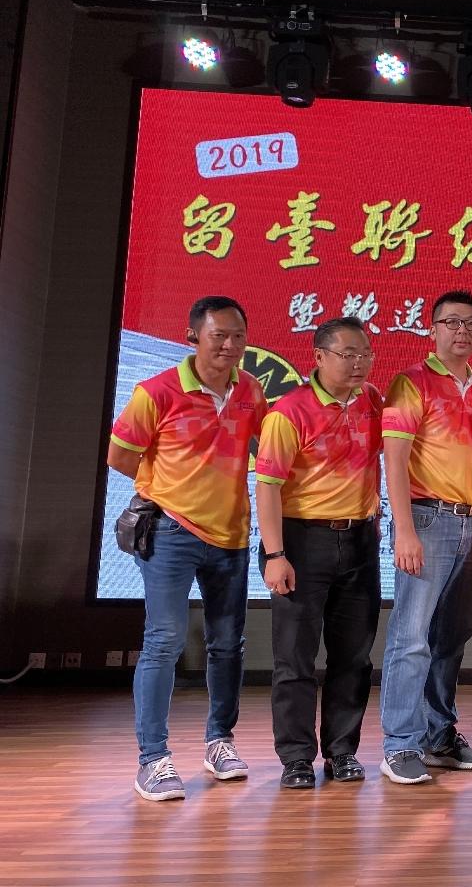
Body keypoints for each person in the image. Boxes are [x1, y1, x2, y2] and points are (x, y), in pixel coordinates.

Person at [106, 296, 267, 802]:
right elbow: (120, 456)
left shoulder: (250, 391)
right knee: (164, 642)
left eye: (238, 336)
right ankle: (152, 759)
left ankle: (219, 742)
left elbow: (264, 451)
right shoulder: (157, 391)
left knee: (227, 646)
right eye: (219, 335)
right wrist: (170, 491)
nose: (230, 345)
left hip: (232, 537)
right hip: (172, 534)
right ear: (192, 336)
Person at [254, 317, 382, 789]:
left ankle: (342, 752)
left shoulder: (372, 401)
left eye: (365, 353)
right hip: (301, 542)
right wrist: (274, 554)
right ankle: (295, 758)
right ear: (319, 357)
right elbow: (267, 486)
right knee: (295, 657)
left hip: (362, 541)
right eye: (347, 354)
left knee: (354, 656)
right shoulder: (289, 412)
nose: (359, 362)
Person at [379, 291, 472, 784]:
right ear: (432, 329)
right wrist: (404, 529)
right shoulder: (411, 382)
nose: (462, 331)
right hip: (427, 521)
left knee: (452, 637)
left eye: (471, 323)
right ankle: (399, 745)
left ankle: (438, 736)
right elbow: (395, 459)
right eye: (451, 322)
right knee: (411, 639)